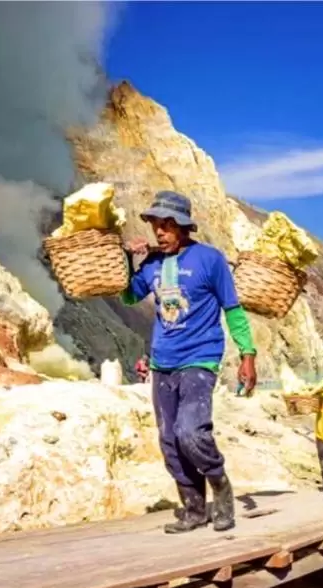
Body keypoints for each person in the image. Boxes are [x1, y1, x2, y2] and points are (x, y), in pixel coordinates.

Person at [121, 191, 258, 534]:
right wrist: (126, 259)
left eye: (167, 226)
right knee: (168, 440)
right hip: (162, 361)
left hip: (200, 356)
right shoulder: (152, 263)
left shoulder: (210, 259)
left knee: (191, 432)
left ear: (183, 226)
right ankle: (194, 508)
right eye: (156, 226)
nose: (160, 233)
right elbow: (127, 294)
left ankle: (221, 488)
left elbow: (233, 309)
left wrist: (248, 355)